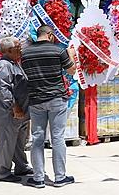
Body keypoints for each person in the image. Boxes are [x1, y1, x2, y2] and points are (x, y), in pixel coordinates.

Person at [21, 25, 77, 188]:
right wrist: (71, 55)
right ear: (50, 35)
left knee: (37, 138)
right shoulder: (58, 50)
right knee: (57, 137)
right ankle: (60, 177)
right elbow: (72, 71)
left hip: (36, 99)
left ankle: (38, 178)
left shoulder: (25, 53)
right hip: (56, 99)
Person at [0, 36, 33, 182]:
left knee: (18, 142)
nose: (21, 48)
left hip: (21, 112)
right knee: (6, 142)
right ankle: (2, 172)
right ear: (9, 50)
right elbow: (2, 89)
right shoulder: (3, 66)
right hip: (9, 113)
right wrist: (14, 106)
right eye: (18, 47)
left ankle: (21, 166)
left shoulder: (14, 63)